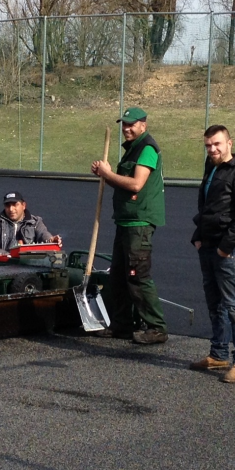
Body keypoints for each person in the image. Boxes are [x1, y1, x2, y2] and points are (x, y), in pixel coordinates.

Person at [91, 107, 167, 345]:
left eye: (131, 124)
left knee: (137, 276)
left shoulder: (147, 149)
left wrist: (107, 174)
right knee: (119, 276)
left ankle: (156, 327)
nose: (126, 128)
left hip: (139, 223)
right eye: (124, 124)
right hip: (125, 221)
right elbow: (125, 184)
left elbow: (136, 184)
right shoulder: (132, 150)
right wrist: (108, 174)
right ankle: (122, 324)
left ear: (143, 125)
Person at [190, 125, 235, 383]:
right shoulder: (212, 168)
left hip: (228, 249)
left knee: (234, 305)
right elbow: (206, 206)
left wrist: (224, 247)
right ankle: (218, 353)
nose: (212, 149)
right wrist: (197, 236)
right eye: (208, 145)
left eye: (217, 144)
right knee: (214, 303)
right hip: (207, 244)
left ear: (230, 143)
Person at [0, 191, 62, 260]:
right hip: (2, 266)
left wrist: (51, 240)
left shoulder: (36, 222)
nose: (11, 209)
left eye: (15, 204)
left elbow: (43, 233)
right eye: (7, 205)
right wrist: (10, 255)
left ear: (23, 205)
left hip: (28, 267)